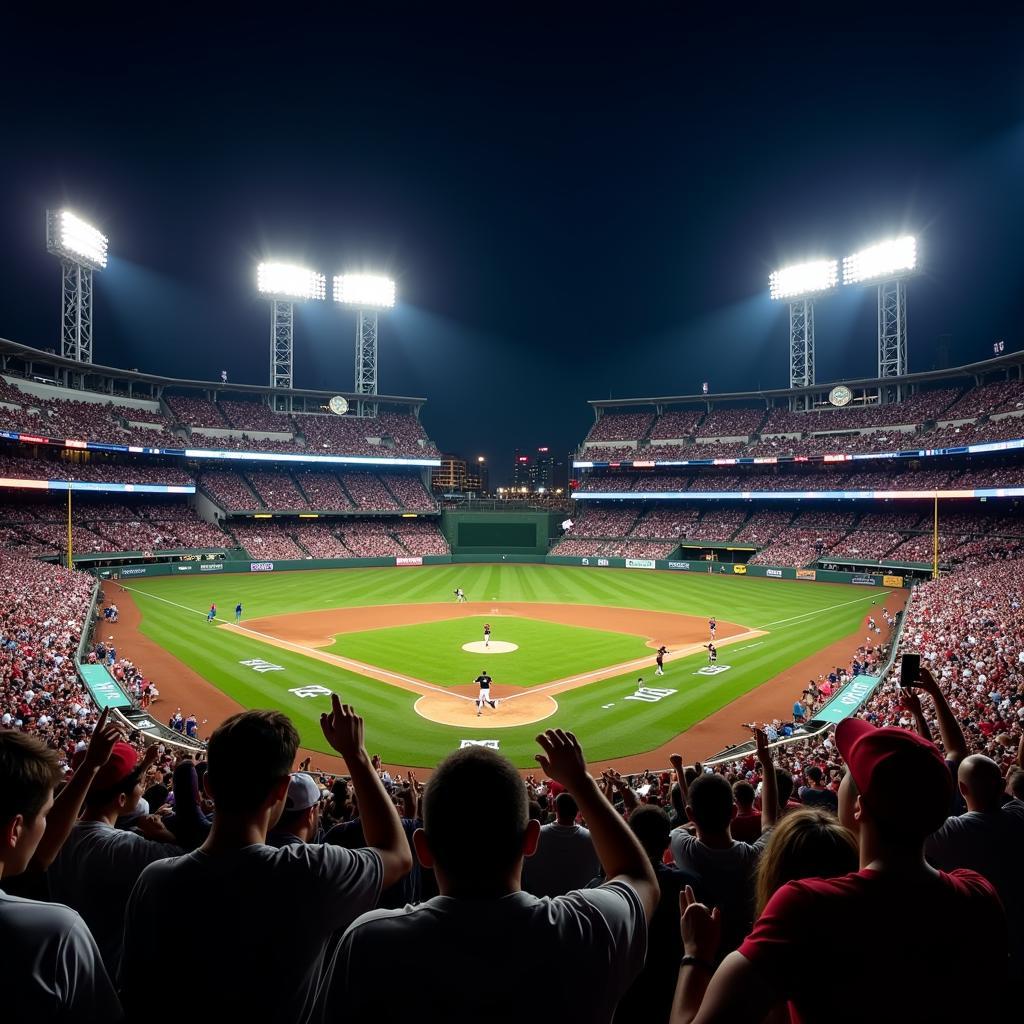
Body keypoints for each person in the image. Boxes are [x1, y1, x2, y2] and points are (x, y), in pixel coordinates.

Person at [670, 717, 1009, 1023]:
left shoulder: (806, 907)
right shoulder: (978, 893)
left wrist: (696, 955)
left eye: (852, 772)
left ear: (859, 808)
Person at [314, 730, 659, 1022]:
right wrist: (581, 783)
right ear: (531, 839)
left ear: (423, 849)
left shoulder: (367, 942)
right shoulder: (588, 928)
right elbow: (638, 877)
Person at [121, 697, 414, 1024]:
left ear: (208, 787)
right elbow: (398, 854)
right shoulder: (309, 872)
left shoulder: (154, 881)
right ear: (281, 791)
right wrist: (356, 755)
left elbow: (133, 994)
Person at [0, 730, 123, 1020]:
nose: (45, 824)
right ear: (15, 829)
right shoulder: (57, 932)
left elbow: (39, 857)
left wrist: (91, 766)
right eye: (44, 814)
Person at [48, 740, 185, 977]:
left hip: (60, 960)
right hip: (103, 975)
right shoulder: (125, 847)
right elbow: (192, 862)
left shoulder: (53, 835)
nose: (142, 787)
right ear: (121, 800)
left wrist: (144, 765)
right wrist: (165, 835)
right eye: (139, 784)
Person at [668, 736, 777, 957]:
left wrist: (680, 771)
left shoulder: (680, 845)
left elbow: (689, 813)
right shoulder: (752, 857)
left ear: (691, 815)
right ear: (734, 813)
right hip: (745, 951)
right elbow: (770, 823)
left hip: (699, 952)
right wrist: (766, 764)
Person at [925, 753, 1024, 968]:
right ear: (1002, 785)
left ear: (962, 789)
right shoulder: (1019, 812)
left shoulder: (953, 833)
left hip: (994, 951)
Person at [520, 791, 601, 897]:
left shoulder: (536, 835)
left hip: (540, 902)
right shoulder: (594, 839)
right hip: (580, 905)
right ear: (578, 810)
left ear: (554, 807)